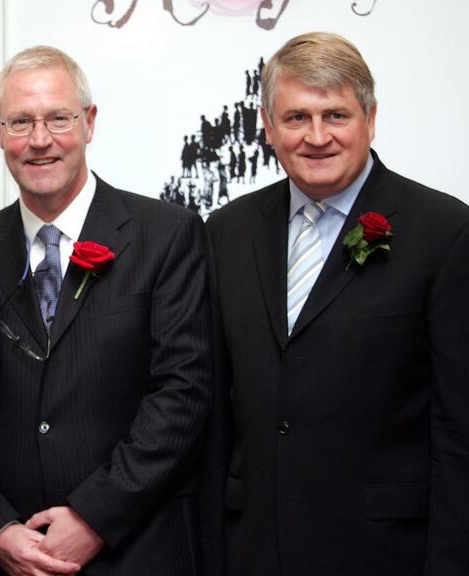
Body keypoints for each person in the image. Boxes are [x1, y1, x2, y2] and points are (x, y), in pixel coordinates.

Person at [206, 32, 469, 576]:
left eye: (336, 116)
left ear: (370, 120)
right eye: (297, 117)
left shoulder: (444, 232)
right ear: (268, 125)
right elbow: (214, 412)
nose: (317, 137)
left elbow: (459, 430)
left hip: (384, 553)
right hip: (251, 549)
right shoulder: (226, 231)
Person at [0, 46, 213, 575]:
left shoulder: (166, 236)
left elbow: (183, 391)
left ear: (89, 122)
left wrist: (95, 516)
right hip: (12, 559)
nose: (39, 140)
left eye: (59, 118)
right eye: (20, 121)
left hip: (138, 550)